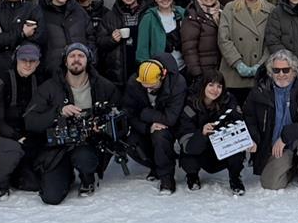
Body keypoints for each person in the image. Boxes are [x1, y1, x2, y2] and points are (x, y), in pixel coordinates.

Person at [36, 43, 120, 203]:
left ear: (88, 60)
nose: (76, 60)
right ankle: (66, 175)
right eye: (72, 56)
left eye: (81, 56)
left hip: (88, 145)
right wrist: (58, 112)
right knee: (51, 197)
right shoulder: (50, 87)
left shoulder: (103, 86)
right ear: (65, 62)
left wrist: (101, 125)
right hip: (58, 148)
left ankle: (88, 177)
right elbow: (31, 120)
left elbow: (119, 114)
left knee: (84, 157)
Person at [245, 48, 298, 197]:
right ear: (271, 71)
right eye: (276, 70)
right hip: (276, 143)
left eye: (285, 70)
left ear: (294, 70)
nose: (281, 74)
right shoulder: (261, 88)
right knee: (270, 183)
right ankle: (294, 165)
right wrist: (253, 138)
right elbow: (249, 116)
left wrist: (286, 136)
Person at [0, 44, 53, 195]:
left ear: (38, 62)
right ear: (16, 59)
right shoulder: (1, 81)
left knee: (33, 183)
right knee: (13, 150)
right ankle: (1, 181)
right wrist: (18, 137)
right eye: (24, 60)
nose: (28, 64)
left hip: (30, 132)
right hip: (7, 133)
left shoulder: (41, 80)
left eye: (32, 60)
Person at [178, 75, 252, 194]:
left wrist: (246, 140)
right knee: (188, 151)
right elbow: (188, 144)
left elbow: (240, 123)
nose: (215, 90)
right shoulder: (189, 104)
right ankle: (192, 175)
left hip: (221, 148)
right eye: (211, 85)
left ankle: (235, 177)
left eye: (219, 86)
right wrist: (201, 134)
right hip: (198, 149)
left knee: (236, 145)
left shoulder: (229, 101)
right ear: (203, 86)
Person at [125, 59, 187, 191]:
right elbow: (129, 112)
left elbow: (171, 118)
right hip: (145, 124)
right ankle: (154, 166)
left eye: (152, 86)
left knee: (160, 136)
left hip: (170, 125)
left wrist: (145, 113)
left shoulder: (177, 83)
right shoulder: (134, 82)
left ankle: (166, 177)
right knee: (131, 142)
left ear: (163, 75)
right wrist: (147, 127)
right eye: (144, 86)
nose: (148, 89)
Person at [220, 0, 271, 102]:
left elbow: (271, 41)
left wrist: (260, 65)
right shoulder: (230, 8)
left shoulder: (270, 9)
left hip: (259, 74)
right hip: (233, 73)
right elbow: (223, 38)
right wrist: (237, 63)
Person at [35, 0, 94, 77]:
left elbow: (91, 36)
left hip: (79, 68)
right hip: (51, 70)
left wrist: (91, 59)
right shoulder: (41, 12)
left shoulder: (79, 11)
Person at [96, 0, 147, 85]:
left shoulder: (147, 13)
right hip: (118, 75)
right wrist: (111, 39)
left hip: (144, 70)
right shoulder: (110, 16)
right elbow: (99, 43)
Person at [180, 0, 226, 88]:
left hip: (220, 68)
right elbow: (189, 49)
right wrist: (197, 74)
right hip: (203, 72)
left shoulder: (223, 12)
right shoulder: (192, 16)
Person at [135, 0, 186, 73]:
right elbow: (142, 49)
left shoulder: (182, 13)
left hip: (183, 69)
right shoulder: (148, 18)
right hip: (159, 71)